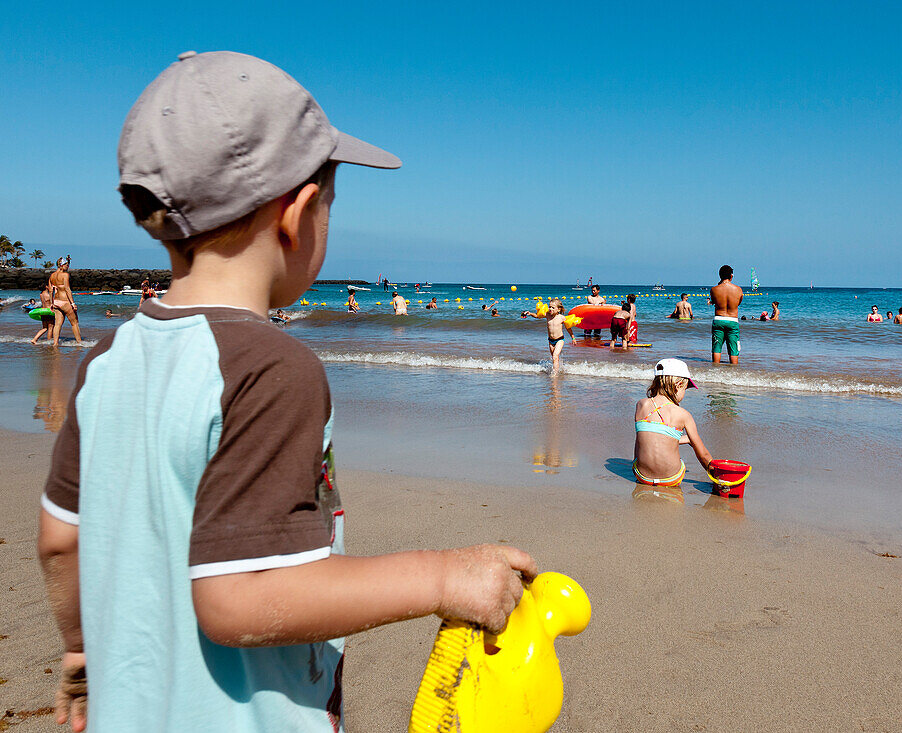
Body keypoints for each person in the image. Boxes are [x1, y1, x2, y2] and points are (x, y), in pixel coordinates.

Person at [38, 51, 535, 733]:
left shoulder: (108, 358)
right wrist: (444, 576)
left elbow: (60, 540)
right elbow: (238, 599)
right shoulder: (273, 368)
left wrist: (81, 649)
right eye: (330, 201)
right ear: (297, 213)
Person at [632, 359, 714, 498]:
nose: (684, 394)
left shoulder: (641, 405)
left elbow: (646, 438)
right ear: (678, 385)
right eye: (685, 389)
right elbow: (704, 456)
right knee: (685, 455)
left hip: (642, 476)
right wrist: (716, 475)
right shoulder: (683, 415)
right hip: (671, 479)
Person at [710, 264, 743, 365]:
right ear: (731, 276)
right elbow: (738, 303)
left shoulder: (714, 289)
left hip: (719, 319)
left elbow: (714, 302)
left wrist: (719, 283)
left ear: (719, 276)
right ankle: (733, 372)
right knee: (733, 349)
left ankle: (715, 370)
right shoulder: (738, 290)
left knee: (717, 347)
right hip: (732, 320)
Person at [49, 256, 82, 346]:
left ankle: (55, 343)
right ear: (62, 265)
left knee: (58, 324)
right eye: (66, 265)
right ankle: (80, 343)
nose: (68, 267)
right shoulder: (65, 275)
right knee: (74, 323)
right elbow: (67, 289)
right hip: (65, 301)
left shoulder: (52, 276)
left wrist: (51, 303)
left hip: (56, 301)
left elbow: (50, 290)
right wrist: (73, 303)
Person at [544, 298, 575, 371]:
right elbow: (537, 316)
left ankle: (555, 374)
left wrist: (573, 338)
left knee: (555, 355)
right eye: (549, 307)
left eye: (553, 307)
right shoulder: (547, 315)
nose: (550, 309)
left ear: (558, 309)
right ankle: (559, 368)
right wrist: (529, 313)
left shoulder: (561, 318)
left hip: (560, 340)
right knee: (554, 357)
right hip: (550, 340)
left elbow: (568, 328)